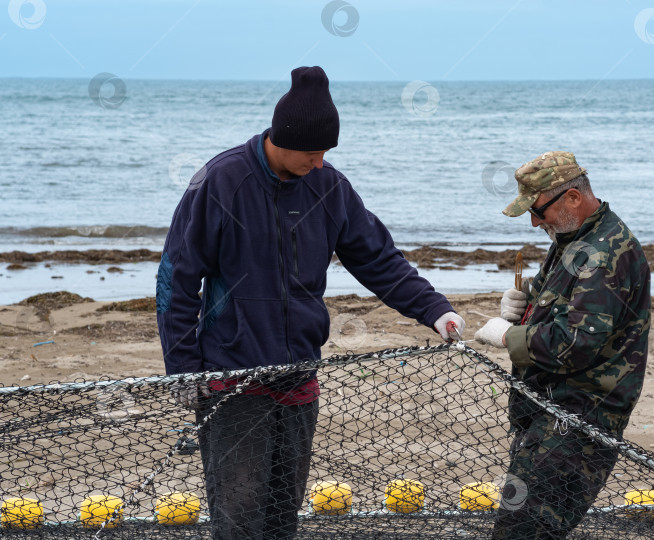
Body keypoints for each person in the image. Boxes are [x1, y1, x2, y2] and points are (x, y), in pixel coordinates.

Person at [156, 65, 465, 539]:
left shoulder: (329, 187)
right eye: (311, 151)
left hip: (299, 376)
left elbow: (378, 259)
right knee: (239, 517)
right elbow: (177, 279)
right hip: (230, 379)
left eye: (326, 152)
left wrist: (435, 310)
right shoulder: (220, 182)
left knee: (283, 515)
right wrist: (182, 367)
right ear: (281, 138)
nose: (319, 162)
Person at [474, 151, 650, 539]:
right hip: (550, 408)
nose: (535, 222)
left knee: (522, 531)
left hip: (579, 421)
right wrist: (524, 304)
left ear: (572, 197)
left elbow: (575, 344)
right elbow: (559, 297)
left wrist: (507, 336)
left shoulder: (603, 254)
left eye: (538, 210)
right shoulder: (573, 238)